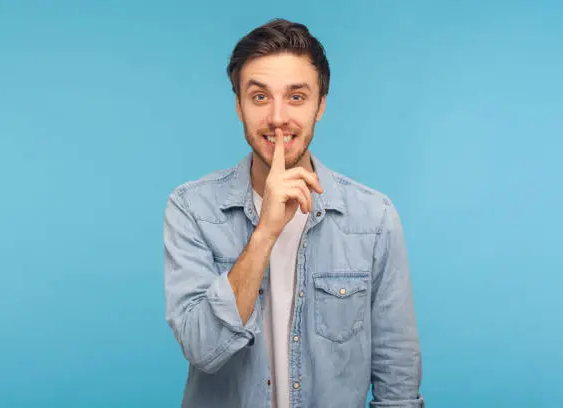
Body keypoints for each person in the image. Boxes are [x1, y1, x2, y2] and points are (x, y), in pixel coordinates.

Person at [163, 18, 424, 408]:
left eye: (297, 97)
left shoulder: (374, 219)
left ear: (321, 106)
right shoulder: (192, 209)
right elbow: (203, 348)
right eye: (260, 97)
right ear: (238, 106)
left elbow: (397, 380)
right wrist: (265, 234)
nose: (278, 118)